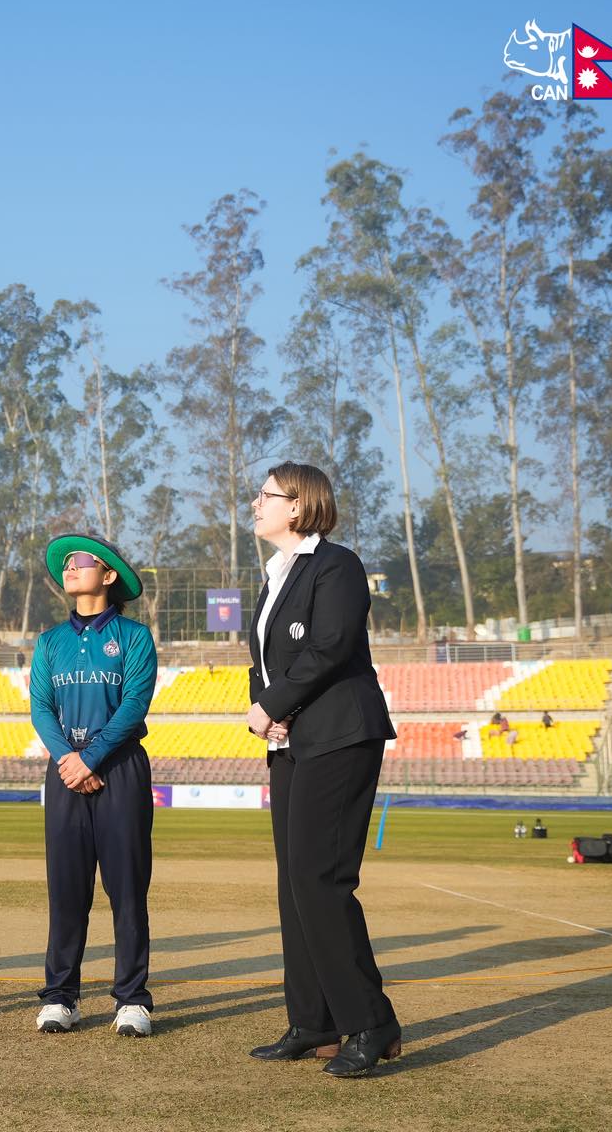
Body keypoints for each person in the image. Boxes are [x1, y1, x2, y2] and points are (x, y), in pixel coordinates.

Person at [245, 461, 400, 1078]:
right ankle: (315, 1022)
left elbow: (331, 644)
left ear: (299, 505)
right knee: (294, 885)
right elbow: (268, 661)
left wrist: (275, 705)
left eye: (265, 496)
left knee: (321, 881)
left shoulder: (337, 564)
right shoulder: (277, 573)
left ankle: (370, 1022)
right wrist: (274, 715)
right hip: (294, 743)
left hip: (341, 736)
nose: (254, 504)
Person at [30, 534, 157, 1037]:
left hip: (120, 770)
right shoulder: (50, 642)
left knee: (127, 891)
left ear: (108, 577)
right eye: (64, 564)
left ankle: (132, 999)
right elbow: (41, 707)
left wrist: (92, 758)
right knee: (65, 891)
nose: (69, 567)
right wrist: (69, 760)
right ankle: (61, 996)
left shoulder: (134, 637)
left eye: (80, 561)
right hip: (66, 775)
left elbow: (133, 707)